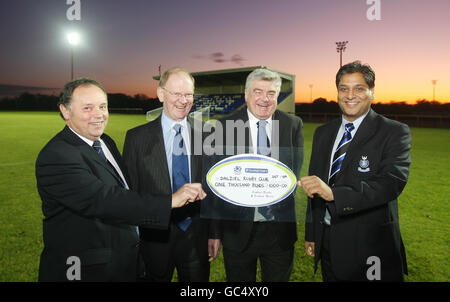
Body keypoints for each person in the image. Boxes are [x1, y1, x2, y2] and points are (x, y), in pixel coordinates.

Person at [35, 77, 205, 282]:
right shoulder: (57, 156)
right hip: (85, 268)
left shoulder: (105, 142)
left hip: (124, 261)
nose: (98, 115)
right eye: (87, 108)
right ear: (65, 111)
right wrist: (170, 200)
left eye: (102, 106)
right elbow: (105, 199)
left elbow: (127, 188)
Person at [299, 61, 411, 281]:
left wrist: (335, 195)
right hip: (329, 240)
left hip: (370, 244)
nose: (350, 95)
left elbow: (390, 183)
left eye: (359, 88)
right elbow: (315, 186)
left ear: (372, 92)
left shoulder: (394, 131)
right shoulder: (323, 133)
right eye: (344, 88)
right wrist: (312, 234)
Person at [122, 67, 220, 282]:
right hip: (154, 239)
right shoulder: (136, 139)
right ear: (160, 94)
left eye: (188, 94)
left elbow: (213, 189)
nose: (183, 100)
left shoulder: (208, 133)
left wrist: (214, 233)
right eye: (176, 93)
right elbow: (130, 195)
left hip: (197, 237)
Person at [212, 68, 304, 282]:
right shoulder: (224, 126)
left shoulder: (293, 125)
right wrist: (214, 232)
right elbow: (216, 187)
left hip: (279, 232)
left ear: (278, 96)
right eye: (258, 91)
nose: (265, 99)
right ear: (246, 94)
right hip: (237, 232)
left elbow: (293, 175)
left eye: (271, 93)